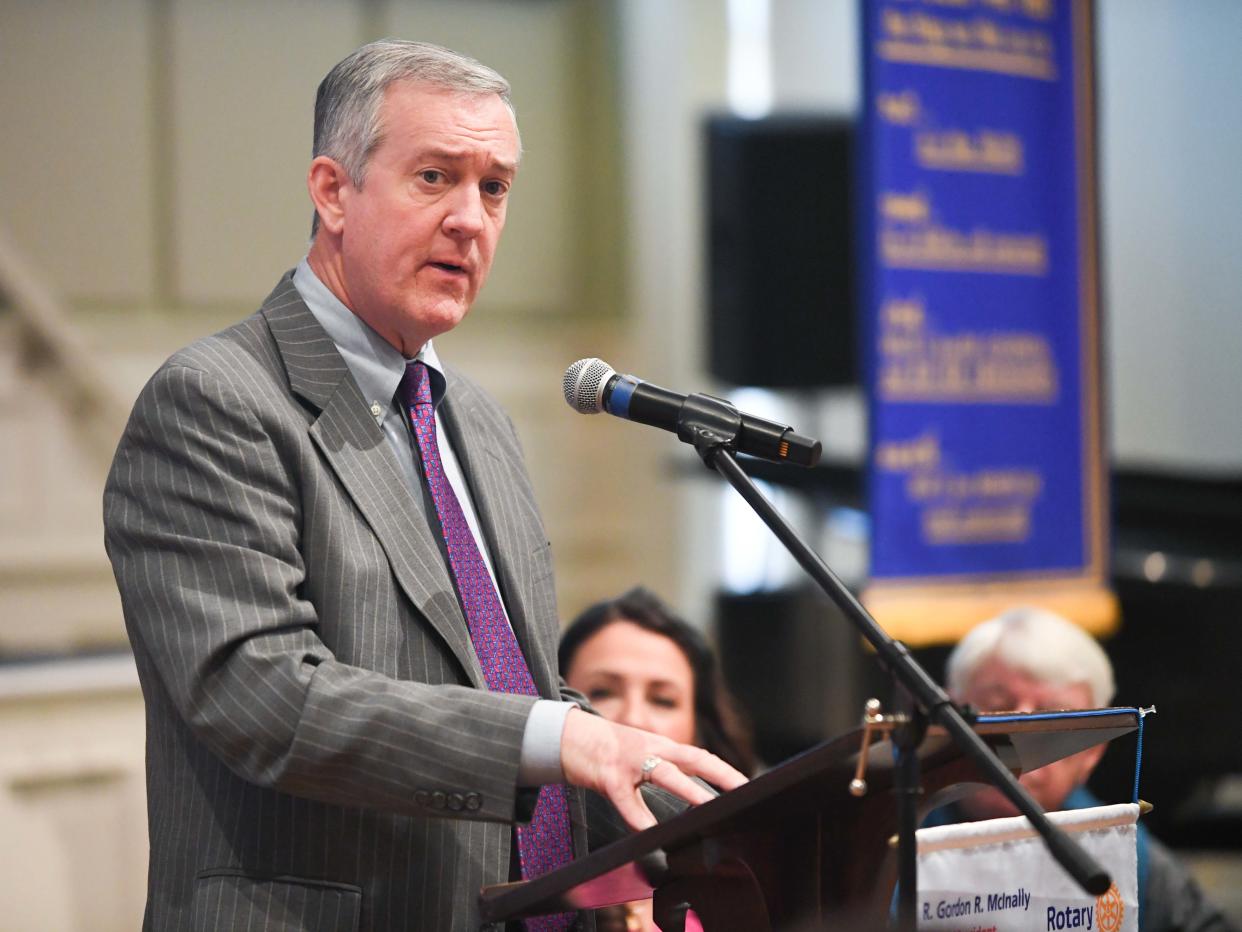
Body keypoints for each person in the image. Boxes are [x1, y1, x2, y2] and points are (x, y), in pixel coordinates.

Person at [103, 39, 744, 932]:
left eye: (495, 187)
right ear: (332, 190)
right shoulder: (217, 400)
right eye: (436, 177)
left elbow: (511, 685)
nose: (471, 219)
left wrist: (722, 834)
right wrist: (565, 738)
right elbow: (263, 696)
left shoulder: (474, 419)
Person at [926, 606, 1236, 932]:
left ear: (1091, 754)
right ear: (945, 720)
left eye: (1053, 717)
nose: (1020, 739)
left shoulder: (1128, 859)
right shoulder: (888, 838)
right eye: (998, 706)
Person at [560, 587, 756, 932]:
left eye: (663, 700)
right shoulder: (516, 869)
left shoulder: (747, 883)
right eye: (602, 692)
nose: (634, 720)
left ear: (699, 735)